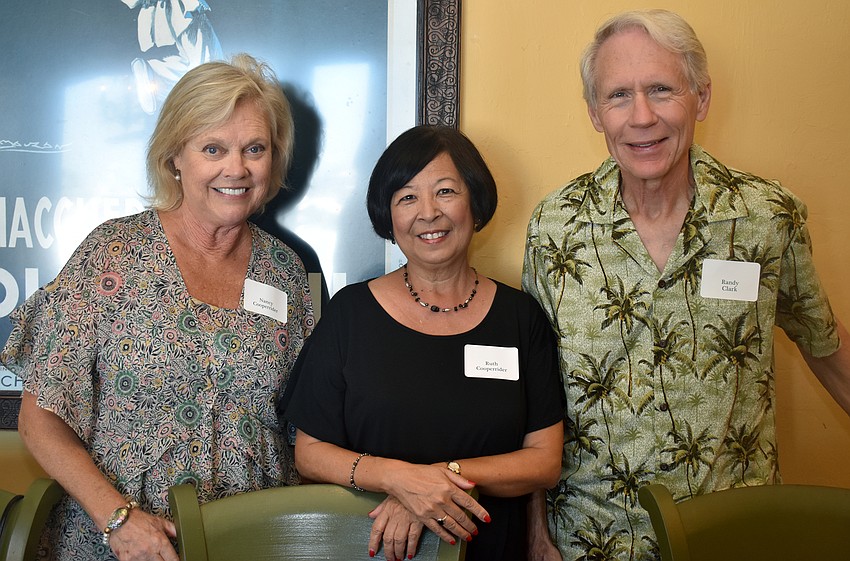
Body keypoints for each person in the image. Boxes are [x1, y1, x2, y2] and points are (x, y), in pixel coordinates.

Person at [521, 9, 850, 561]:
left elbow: (826, 345)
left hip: (733, 536)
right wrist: (535, 536)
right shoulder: (556, 226)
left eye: (661, 89)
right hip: (590, 542)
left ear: (701, 97)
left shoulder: (766, 217)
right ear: (595, 114)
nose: (642, 116)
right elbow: (530, 396)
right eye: (618, 95)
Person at [0, 53, 314, 560]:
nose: (236, 168)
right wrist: (117, 518)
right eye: (213, 148)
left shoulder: (286, 272)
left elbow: (305, 427)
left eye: (254, 149)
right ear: (174, 156)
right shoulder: (111, 254)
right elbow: (40, 419)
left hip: (252, 542)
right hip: (118, 545)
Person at [282, 125, 564, 561]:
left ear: (475, 201)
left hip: (490, 550)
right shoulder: (350, 313)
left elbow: (543, 461)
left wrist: (436, 481)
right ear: (389, 216)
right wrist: (397, 480)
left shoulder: (520, 318)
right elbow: (311, 453)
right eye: (407, 197)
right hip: (371, 547)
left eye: (446, 191)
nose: (428, 213)